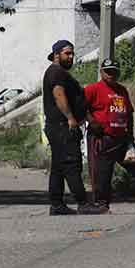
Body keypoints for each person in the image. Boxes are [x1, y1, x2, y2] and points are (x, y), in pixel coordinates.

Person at [41, 40, 102, 215]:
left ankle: (57, 205)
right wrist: (70, 118)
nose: (71, 57)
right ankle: (83, 203)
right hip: (62, 127)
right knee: (71, 164)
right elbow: (59, 95)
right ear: (56, 55)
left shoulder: (58, 73)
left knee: (59, 167)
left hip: (58, 126)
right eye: (67, 53)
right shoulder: (56, 73)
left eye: (72, 53)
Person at [84, 58, 135, 211]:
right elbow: (81, 106)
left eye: (114, 71)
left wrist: (130, 134)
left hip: (121, 137)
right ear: (101, 72)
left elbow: (129, 112)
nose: (111, 74)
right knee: (101, 172)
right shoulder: (93, 89)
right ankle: (101, 203)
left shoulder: (122, 90)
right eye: (108, 71)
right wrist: (92, 121)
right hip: (101, 138)